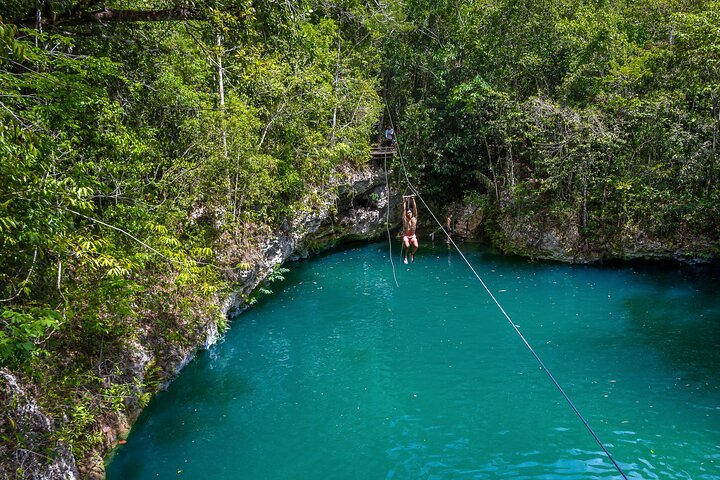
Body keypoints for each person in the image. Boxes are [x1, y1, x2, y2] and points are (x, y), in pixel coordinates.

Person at [402, 195, 418, 264]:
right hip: (406, 235)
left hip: (413, 235)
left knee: (416, 246)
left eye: (410, 213)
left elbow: (415, 209)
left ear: (412, 213)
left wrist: (413, 199)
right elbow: (404, 210)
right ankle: (405, 256)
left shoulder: (414, 218)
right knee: (407, 246)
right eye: (408, 213)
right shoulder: (405, 219)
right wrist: (405, 201)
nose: (409, 214)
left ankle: (411, 254)